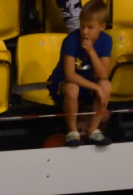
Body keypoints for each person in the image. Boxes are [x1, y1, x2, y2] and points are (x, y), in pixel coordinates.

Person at [46, 0, 113, 147]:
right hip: (63, 82)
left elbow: (103, 75)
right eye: (82, 25)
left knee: (106, 85)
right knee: (73, 88)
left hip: (87, 84)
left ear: (102, 27)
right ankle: (72, 132)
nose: (84, 31)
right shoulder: (71, 40)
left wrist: (91, 51)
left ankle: (93, 130)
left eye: (90, 27)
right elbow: (70, 76)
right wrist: (96, 88)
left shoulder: (106, 41)